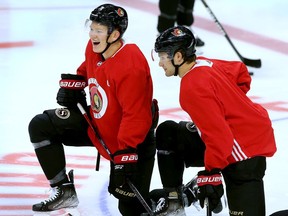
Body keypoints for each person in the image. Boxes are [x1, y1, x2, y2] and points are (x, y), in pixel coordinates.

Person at [28, 3, 159, 216]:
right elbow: (87, 68)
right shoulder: (95, 47)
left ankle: (174, 198)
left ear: (115, 34)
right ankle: (64, 190)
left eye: (99, 30)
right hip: (99, 126)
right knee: (42, 125)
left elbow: (136, 116)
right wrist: (75, 84)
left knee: (131, 209)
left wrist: (125, 156)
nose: (92, 34)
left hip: (133, 143)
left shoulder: (131, 65)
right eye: (91, 28)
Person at [150, 25, 277, 216]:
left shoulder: (192, 88)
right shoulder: (203, 62)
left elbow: (221, 138)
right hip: (234, 137)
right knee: (169, 132)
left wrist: (211, 174)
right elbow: (240, 71)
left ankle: (202, 185)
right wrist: (231, 104)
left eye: (162, 57)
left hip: (246, 151)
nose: (160, 63)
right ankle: (174, 200)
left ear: (178, 57)